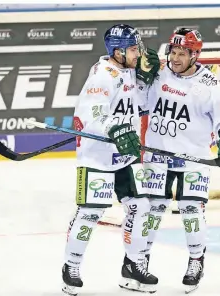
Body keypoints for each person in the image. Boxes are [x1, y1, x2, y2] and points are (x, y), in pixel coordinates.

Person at [129, 28, 220, 292]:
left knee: (190, 211)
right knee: (152, 210)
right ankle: (140, 261)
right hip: (158, 156)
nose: (174, 58)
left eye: (181, 54)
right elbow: (137, 102)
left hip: (193, 159)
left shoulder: (209, 85)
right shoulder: (159, 74)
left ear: (194, 55)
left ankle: (196, 260)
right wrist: (141, 77)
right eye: (172, 52)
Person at [62, 24, 160, 296]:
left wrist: (145, 80)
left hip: (125, 156)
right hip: (98, 158)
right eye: (132, 49)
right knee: (91, 213)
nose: (138, 53)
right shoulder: (101, 75)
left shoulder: (128, 71)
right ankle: (71, 266)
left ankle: (132, 265)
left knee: (141, 207)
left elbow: (139, 107)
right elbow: (91, 116)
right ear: (116, 51)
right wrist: (114, 129)